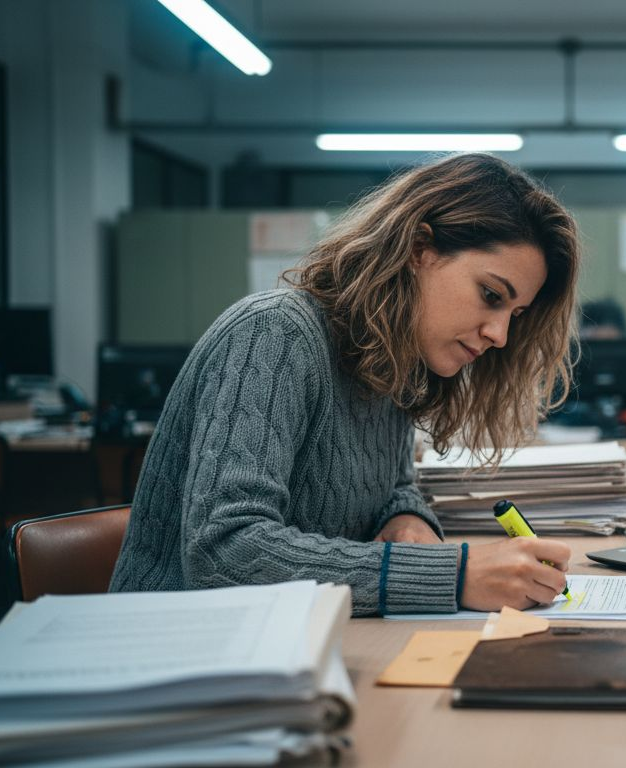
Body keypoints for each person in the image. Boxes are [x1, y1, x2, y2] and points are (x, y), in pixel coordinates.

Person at [110, 153, 579, 615]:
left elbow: (393, 486)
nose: (499, 334)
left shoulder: (394, 357)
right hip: (174, 654)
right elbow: (224, 551)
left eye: (513, 316)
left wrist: (406, 517)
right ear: (419, 250)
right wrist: (451, 576)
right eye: (491, 296)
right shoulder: (275, 334)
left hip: (291, 643)